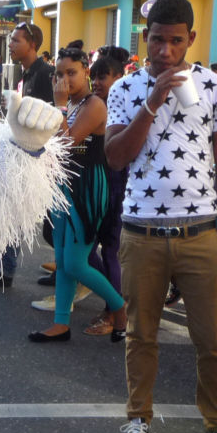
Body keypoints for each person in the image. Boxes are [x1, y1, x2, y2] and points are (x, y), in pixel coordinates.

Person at [105, 0, 217, 433]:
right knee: (141, 335)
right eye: (156, 41)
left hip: (200, 233)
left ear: (190, 39)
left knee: (214, 338)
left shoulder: (215, 88)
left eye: (174, 41)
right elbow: (116, 157)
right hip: (141, 232)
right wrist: (153, 100)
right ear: (144, 40)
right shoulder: (125, 90)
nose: (165, 51)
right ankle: (138, 418)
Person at [28, 45, 127, 344]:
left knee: (74, 263)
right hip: (64, 186)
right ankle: (61, 323)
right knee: (61, 257)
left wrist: (57, 106)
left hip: (87, 188)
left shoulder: (94, 104)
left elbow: (66, 143)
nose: (64, 79)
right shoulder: (72, 104)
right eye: (59, 74)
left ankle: (120, 310)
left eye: (71, 73)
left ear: (85, 71)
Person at [0, 22, 55, 284]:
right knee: (11, 213)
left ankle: (73, 272)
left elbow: (55, 118)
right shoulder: (25, 75)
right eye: (11, 40)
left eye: (15, 40)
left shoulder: (45, 74)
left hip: (40, 161)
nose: (10, 45)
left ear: (32, 45)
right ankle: (5, 269)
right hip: (20, 158)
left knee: (52, 227)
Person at [83, 49, 129, 335]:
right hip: (96, 186)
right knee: (85, 252)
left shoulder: (123, 106)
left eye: (104, 77)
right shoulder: (91, 104)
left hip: (117, 186)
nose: (98, 82)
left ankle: (114, 312)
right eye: (95, 77)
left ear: (119, 78)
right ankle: (114, 301)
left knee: (110, 250)